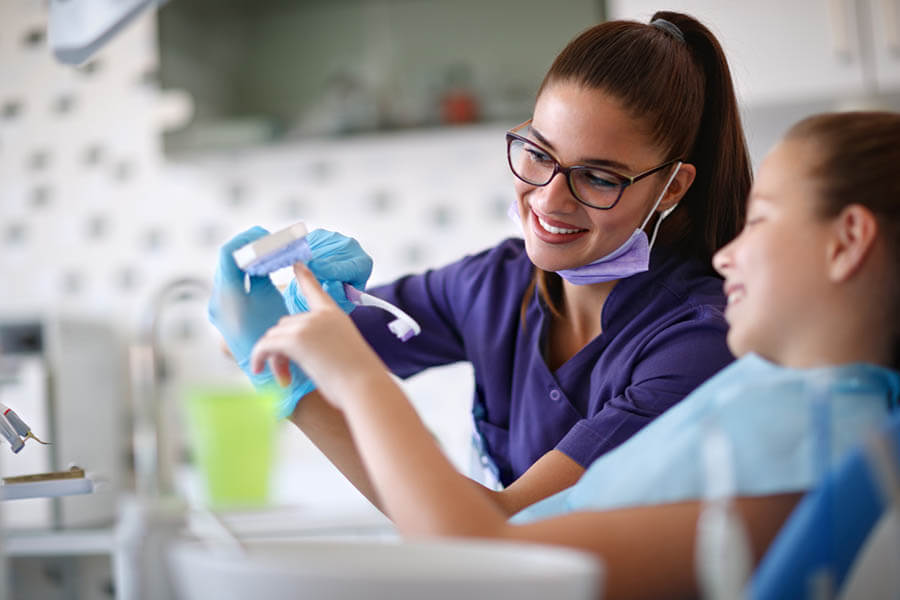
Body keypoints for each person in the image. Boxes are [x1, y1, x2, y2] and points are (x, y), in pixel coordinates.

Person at [249, 110, 900, 599]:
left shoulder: (808, 450)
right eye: (537, 155)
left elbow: (487, 558)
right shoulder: (789, 411)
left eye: (759, 221)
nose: (726, 253)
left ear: (847, 241)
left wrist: (355, 380)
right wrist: (286, 362)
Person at [209, 11, 751, 514]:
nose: (549, 200)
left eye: (598, 177)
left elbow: (508, 523)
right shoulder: (497, 284)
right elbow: (265, 348)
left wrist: (296, 392)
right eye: (539, 154)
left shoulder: (698, 343)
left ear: (672, 187)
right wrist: (276, 312)